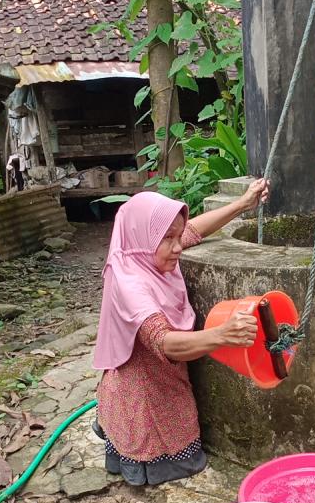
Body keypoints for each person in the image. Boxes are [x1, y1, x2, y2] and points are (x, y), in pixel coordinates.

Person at [93, 179, 269, 487]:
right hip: (142, 384)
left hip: (164, 373)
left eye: (177, 236)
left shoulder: (147, 250)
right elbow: (166, 343)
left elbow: (195, 230)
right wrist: (222, 335)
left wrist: (243, 203)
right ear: (144, 238)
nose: (178, 246)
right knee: (167, 446)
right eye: (169, 238)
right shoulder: (132, 283)